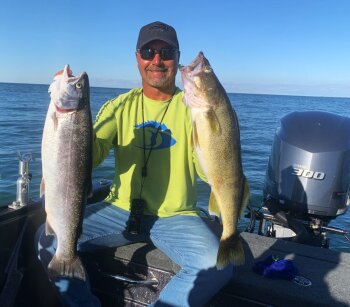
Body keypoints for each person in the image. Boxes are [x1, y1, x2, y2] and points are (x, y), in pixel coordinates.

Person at [36, 21, 233, 307]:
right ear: (137, 56)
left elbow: (207, 171)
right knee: (46, 241)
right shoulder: (119, 106)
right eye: (148, 51)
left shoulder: (196, 108)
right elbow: (88, 158)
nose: (157, 60)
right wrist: (69, 127)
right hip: (119, 209)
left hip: (177, 216)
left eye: (165, 52)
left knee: (217, 266)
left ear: (177, 58)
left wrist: (214, 132)